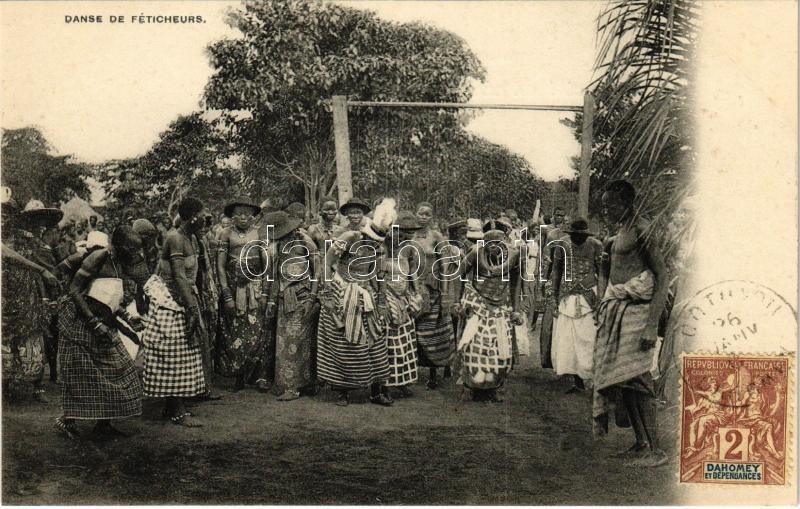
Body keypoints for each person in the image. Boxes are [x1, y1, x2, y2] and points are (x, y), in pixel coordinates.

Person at [593, 180, 669, 468]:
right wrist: (603, 300)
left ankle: (657, 450)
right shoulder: (619, 233)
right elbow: (607, 270)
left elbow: (662, 277)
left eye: (612, 204)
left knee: (639, 380)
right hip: (620, 312)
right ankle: (641, 443)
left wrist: (651, 325)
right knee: (626, 382)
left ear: (627, 203)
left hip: (639, 314)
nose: (607, 210)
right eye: (605, 205)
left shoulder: (642, 230)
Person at [54, 226, 149, 439]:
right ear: (121, 246)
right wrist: (94, 323)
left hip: (103, 322)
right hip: (81, 323)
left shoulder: (119, 264)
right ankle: (66, 420)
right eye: (132, 249)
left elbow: (108, 299)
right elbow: (75, 291)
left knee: (118, 370)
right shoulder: (98, 256)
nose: (136, 254)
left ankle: (103, 424)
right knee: (82, 374)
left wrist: (129, 318)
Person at [316, 197, 393, 407]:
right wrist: (330, 290)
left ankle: (377, 391)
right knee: (344, 342)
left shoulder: (378, 245)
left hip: (365, 294)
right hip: (343, 289)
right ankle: (343, 390)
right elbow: (327, 262)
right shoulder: (349, 236)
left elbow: (378, 275)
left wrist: (382, 301)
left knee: (374, 341)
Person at [141, 198, 208, 427]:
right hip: (171, 299)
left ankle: (173, 405)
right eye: (202, 213)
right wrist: (190, 307)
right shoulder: (175, 238)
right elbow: (178, 276)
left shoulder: (192, 238)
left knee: (185, 351)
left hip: (185, 295)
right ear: (191, 217)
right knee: (176, 351)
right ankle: (177, 410)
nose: (206, 218)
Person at [1, 198, 62, 403]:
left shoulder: (31, 240)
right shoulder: (9, 240)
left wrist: (45, 293)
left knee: (35, 337)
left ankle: (37, 387)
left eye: (6, 214)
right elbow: (8, 256)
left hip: (27, 294)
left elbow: (46, 265)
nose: (3, 218)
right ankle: (6, 388)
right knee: (7, 338)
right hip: (6, 294)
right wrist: (42, 271)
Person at [456, 220, 524, 402]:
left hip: (501, 307)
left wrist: (516, 309)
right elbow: (459, 275)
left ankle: (495, 387)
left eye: (499, 243)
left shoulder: (515, 256)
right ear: (484, 243)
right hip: (478, 304)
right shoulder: (475, 253)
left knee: (500, 347)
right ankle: (470, 385)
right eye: (490, 244)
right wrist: (459, 301)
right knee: (473, 345)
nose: (494, 248)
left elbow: (517, 284)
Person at [263, 211, 320, 401]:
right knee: (284, 342)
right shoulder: (276, 245)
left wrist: (312, 298)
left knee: (299, 341)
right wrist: (271, 300)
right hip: (283, 298)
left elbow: (318, 271)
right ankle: (287, 383)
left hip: (303, 296)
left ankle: (298, 386)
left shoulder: (305, 241)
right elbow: (274, 274)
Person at [216, 196, 272, 392]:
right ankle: (238, 374)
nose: (243, 217)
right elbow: (220, 267)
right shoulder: (225, 234)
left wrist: (265, 293)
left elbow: (267, 266)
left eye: (247, 213)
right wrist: (227, 294)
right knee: (234, 330)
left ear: (253, 216)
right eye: (239, 213)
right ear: (232, 215)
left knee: (258, 330)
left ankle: (259, 376)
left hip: (255, 288)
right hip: (233, 287)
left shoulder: (260, 234)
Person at [551, 218, 603, 393]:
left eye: (581, 235)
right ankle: (577, 380)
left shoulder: (596, 245)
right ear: (570, 233)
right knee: (569, 340)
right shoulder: (563, 245)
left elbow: (602, 272)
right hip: (568, 296)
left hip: (589, 295)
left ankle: (589, 376)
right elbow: (557, 270)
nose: (578, 238)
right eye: (575, 235)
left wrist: (602, 297)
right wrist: (554, 296)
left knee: (588, 338)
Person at [412, 202, 455, 389]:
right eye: (420, 213)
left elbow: (445, 265)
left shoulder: (437, 236)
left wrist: (445, 291)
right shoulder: (410, 235)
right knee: (416, 330)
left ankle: (434, 372)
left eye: (427, 214)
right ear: (416, 215)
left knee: (435, 330)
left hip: (434, 288)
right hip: (414, 287)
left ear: (432, 217)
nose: (423, 217)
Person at [382, 211, 424, 398]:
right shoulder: (382, 246)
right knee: (388, 339)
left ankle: (402, 381)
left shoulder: (409, 248)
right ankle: (385, 383)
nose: (404, 236)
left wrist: (416, 292)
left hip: (404, 295)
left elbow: (412, 272)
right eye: (400, 231)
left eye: (408, 233)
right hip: (386, 294)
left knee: (405, 338)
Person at [539, 207, 567, 370]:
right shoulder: (551, 234)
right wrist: (544, 280)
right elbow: (546, 258)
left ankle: (561, 358)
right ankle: (546, 357)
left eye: (562, 215)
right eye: (557, 215)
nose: (559, 218)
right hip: (553, 277)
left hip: (567, 279)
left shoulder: (568, 236)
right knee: (550, 315)